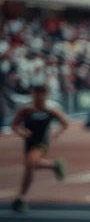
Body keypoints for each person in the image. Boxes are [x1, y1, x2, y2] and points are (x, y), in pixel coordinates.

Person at [9, 82, 69, 212]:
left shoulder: (50, 110)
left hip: (41, 144)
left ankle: (21, 198)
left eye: (42, 93)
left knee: (30, 163)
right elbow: (14, 125)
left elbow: (65, 123)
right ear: (33, 94)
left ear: (46, 94)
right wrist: (22, 132)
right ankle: (54, 165)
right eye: (37, 93)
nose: (40, 96)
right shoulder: (26, 110)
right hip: (28, 144)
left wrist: (56, 133)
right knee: (30, 166)